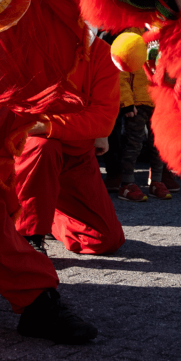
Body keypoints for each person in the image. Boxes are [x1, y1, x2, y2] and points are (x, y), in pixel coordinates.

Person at [14, 34, 125, 255]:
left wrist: (46, 124)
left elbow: (102, 118)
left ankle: (48, 215)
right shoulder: (28, 41)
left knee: (104, 240)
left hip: (77, 153)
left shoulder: (102, 52)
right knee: (41, 147)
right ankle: (28, 236)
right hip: (34, 153)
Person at [117, 55, 171, 201]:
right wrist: (127, 102)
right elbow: (122, 75)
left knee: (159, 144)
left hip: (159, 102)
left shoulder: (161, 40)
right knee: (134, 144)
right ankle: (127, 183)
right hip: (137, 105)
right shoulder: (131, 38)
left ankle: (156, 181)